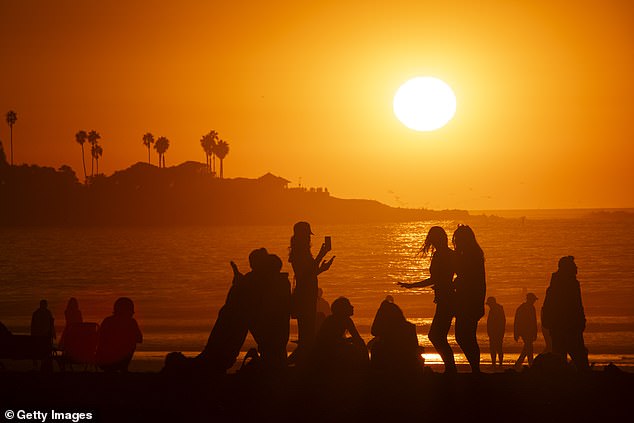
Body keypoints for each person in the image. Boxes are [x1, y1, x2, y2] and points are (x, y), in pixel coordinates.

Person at [398, 226, 456, 374]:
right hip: (445, 298)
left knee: (436, 335)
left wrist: (412, 285)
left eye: (432, 237)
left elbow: (436, 278)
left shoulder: (443, 255)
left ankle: (451, 368)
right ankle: (450, 368)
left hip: (446, 299)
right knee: (438, 335)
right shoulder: (447, 254)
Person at [288, 221, 334, 364]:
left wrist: (322, 269)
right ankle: (299, 362)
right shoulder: (298, 253)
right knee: (307, 331)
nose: (309, 238)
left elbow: (310, 273)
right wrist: (321, 254)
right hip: (304, 295)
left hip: (307, 294)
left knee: (308, 330)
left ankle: (301, 360)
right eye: (307, 235)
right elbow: (305, 275)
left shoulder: (302, 252)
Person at [541, 256, 589, 371]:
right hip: (568, 329)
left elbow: (547, 306)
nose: (576, 268)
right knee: (576, 359)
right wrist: (580, 322)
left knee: (562, 358)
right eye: (573, 266)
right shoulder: (569, 285)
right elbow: (576, 306)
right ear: (567, 268)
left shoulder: (558, 284)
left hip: (564, 328)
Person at [452, 225, 486, 373]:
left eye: (458, 239)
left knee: (463, 336)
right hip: (469, 300)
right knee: (467, 336)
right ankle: (475, 368)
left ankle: (475, 368)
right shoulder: (473, 253)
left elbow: (470, 279)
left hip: (468, 301)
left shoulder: (469, 255)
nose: (456, 241)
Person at [250, 253, 292, 372]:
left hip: (273, 326)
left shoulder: (275, 284)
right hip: (280, 325)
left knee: (271, 351)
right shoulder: (282, 282)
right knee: (277, 351)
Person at [309, 297, 368, 375]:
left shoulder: (344, 320)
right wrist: (349, 341)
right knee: (352, 349)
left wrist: (352, 341)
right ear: (343, 309)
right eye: (349, 305)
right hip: (325, 351)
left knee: (355, 346)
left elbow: (357, 338)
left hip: (329, 348)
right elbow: (328, 341)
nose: (352, 307)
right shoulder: (333, 320)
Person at [369, 297, 422, 377]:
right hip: (408, 363)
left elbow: (374, 331)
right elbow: (415, 346)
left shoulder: (387, 330)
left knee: (375, 347)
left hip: (395, 361)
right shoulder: (410, 327)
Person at [96, 297, 143, 372]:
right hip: (112, 361)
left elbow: (99, 338)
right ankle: (123, 368)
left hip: (103, 361)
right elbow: (139, 339)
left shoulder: (107, 321)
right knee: (132, 344)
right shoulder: (131, 322)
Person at [513, 293, 538, 369]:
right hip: (525, 331)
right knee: (528, 347)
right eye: (533, 300)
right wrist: (516, 333)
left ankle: (522, 363)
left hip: (528, 331)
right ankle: (529, 363)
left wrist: (535, 332)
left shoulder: (529, 308)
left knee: (528, 347)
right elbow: (517, 321)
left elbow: (534, 321)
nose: (534, 301)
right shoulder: (522, 308)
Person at [486, 296, 506, 367]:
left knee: (496, 348)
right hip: (495, 333)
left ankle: (498, 364)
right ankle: (495, 363)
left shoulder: (497, 309)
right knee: (496, 349)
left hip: (497, 333)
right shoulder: (494, 309)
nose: (489, 305)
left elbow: (501, 322)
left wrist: (500, 332)